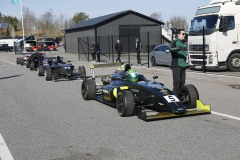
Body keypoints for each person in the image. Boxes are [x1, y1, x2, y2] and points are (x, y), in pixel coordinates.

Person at [169, 29, 188, 94]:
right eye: (183, 34)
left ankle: (181, 98)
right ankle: (174, 99)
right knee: (177, 83)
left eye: (184, 34)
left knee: (182, 83)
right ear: (178, 35)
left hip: (183, 65)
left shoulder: (184, 42)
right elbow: (170, 49)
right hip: (176, 65)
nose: (184, 35)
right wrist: (179, 48)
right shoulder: (175, 42)